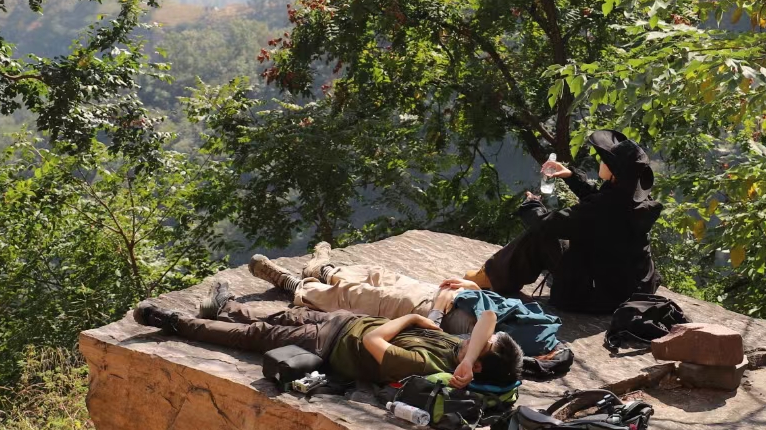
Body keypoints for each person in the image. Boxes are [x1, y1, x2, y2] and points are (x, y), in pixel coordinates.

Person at [132, 280, 523, 389]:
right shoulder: (459, 350)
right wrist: (435, 317)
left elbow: (374, 343)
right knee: (281, 316)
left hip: (332, 344)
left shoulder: (429, 366)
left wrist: (409, 319)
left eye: (481, 346)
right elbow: (488, 318)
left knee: (255, 334)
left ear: (478, 365)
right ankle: (226, 307)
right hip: (343, 321)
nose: (473, 339)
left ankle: (174, 322)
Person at [469, 129, 664, 314]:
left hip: (598, 296)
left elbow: (547, 224)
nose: (600, 162)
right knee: (555, 238)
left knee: (540, 236)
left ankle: (490, 277)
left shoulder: (605, 208)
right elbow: (600, 202)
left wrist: (532, 205)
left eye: (605, 161)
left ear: (614, 172)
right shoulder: (632, 199)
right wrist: (571, 176)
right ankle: (494, 275)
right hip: (630, 288)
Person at [247, 251, 562, 358]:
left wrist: (437, 312)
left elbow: (475, 333)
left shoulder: (521, 344)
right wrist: (471, 287)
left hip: (432, 308)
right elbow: (495, 309)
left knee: (358, 298)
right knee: (380, 277)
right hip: (443, 297)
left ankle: (293, 283)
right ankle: (324, 270)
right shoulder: (539, 329)